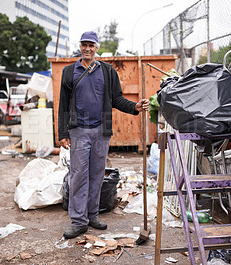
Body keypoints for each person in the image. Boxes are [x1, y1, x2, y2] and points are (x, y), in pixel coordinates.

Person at [58, 31, 149, 239]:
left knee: (97, 175)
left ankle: (92, 215)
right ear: (80, 47)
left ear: (97, 48)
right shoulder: (69, 71)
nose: (87, 48)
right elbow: (63, 103)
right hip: (78, 130)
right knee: (79, 175)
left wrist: (134, 106)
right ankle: (79, 221)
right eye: (84, 45)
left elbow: (116, 99)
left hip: (101, 130)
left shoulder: (107, 71)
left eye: (91, 45)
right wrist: (63, 132)